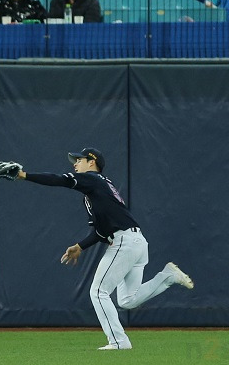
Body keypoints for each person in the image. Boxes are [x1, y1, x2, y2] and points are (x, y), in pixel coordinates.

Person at [16, 147, 194, 350]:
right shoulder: (97, 189)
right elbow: (100, 233)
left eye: (79, 160)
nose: (75, 164)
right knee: (128, 300)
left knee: (98, 291)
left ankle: (119, 342)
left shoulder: (92, 179)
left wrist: (24, 175)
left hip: (124, 242)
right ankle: (168, 276)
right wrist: (80, 247)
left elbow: (61, 180)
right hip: (136, 242)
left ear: (91, 163)